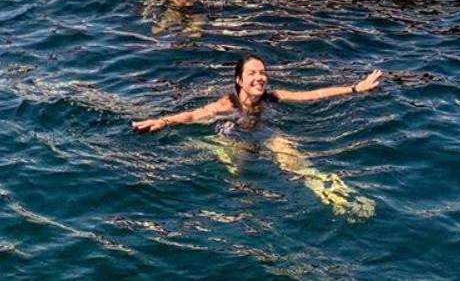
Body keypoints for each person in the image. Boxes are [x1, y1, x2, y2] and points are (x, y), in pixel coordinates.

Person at [132, 54, 382, 218]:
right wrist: (163, 121)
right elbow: (194, 115)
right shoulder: (227, 103)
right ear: (239, 80)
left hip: (265, 133)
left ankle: (331, 192)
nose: (259, 77)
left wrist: (354, 88)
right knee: (240, 172)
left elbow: (313, 94)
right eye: (252, 73)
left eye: (262, 72)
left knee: (292, 156)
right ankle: (244, 207)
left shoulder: (273, 97)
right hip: (233, 134)